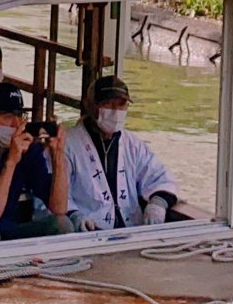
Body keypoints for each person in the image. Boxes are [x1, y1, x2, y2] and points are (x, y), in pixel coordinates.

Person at [64, 74, 179, 231]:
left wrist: (157, 204)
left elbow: (159, 177)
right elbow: (53, 195)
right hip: (88, 232)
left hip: (130, 230)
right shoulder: (68, 144)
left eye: (121, 105)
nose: (115, 111)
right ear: (90, 105)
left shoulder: (133, 144)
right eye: (108, 104)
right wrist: (74, 215)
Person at [0, 84, 70, 242]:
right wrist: (11, 162)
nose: (16, 125)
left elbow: (59, 208)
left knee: (62, 224)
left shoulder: (30, 151)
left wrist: (57, 154)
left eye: (19, 116)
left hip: (11, 230)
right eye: (7, 117)